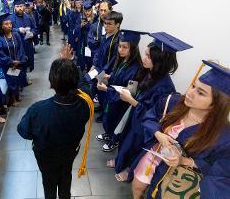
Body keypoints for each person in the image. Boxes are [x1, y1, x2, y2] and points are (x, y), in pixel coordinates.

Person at [132, 60, 230, 199]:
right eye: (194, 86)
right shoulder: (172, 102)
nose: (190, 93)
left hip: (176, 174)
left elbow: (223, 167)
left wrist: (185, 161)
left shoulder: (223, 136)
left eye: (200, 93)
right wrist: (158, 133)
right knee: (137, 186)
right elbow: (149, 117)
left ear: (217, 105)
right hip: (154, 156)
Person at [109, 32, 192, 183]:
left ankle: (130, 171)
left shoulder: (165, 87)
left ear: (159, 61)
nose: (143, 58)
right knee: (125, 139)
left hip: (144, 125)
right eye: (145, 54)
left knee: (135, 146)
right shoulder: (148, 73)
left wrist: (133, 102)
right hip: (134, 116)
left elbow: (154, 115)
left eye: (148, 56)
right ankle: (120, 161)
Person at [17, 45, 93, 199]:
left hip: (46, 157)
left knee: (49, 182)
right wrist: (68, 63)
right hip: (70, 151)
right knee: (66, 176)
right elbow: (83, 85)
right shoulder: (87, 102)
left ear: (51, 83)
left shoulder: (38, 110)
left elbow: (24, 132)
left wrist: (64, 63)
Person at [96, 30, 144, 152]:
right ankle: (108, 134)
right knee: (108, 117)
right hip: (111, 97)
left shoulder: (137, 68)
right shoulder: (120, 59)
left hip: (121, 102)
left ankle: (114, 140)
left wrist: (107, 89)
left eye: (125, 47)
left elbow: (130, 92)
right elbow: (115, 72)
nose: (120, 49)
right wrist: (109, 76)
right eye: (119, 46)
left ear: (133, 48)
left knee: (117, 121)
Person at [91, 10, 123, 123]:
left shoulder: (117, 41)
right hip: (98, 67)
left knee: (104, 93)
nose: (106, 26)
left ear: (118, 24)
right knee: (97, 90)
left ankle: (104, 111)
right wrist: (94, 65)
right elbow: (99, 53)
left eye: (110, 24)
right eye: (105, 23)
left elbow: (113, 61)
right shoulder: (106, 36)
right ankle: (101, 106)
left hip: (106, 72)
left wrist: (101, 73)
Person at [0, 13, 27, 107]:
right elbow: (0, 53)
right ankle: (13, 99)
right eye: (6, 24)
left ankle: (17, 95)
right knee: (11, 81)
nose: (9, 26)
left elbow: (20, 48)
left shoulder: (15, 34)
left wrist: (18, 60)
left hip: (17, 62)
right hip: (7, 64)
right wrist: (11, 62)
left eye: (10, 23)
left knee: (17, 78)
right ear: (1, 26)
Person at [11, 0, 37, 85]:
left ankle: (25, 78)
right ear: (14, 7)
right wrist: (18, 30)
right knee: (18, 64)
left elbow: (34, 28)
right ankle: (17, 83)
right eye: (17, 6)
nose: (20, 8)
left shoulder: (28, 17)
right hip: (16, 46)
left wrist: (33, 33)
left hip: (27, 44)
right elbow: (7, 30)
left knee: (26, 63)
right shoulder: (10, 19)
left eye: (21, 6)